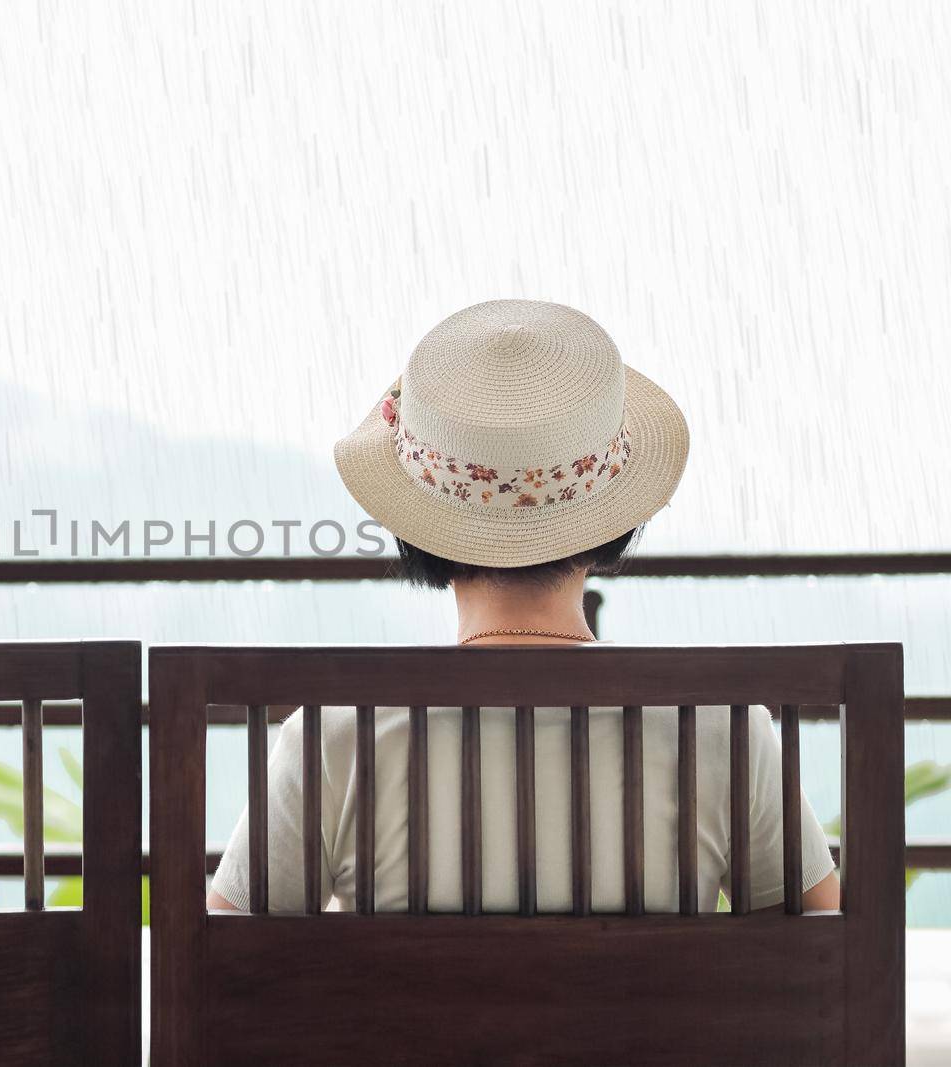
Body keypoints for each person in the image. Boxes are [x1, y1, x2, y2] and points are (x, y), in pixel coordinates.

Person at [208, 299, 839, 914]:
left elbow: (227, 957)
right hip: (650, 1029)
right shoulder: (718, 729)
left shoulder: (335, 734)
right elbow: (820, 953)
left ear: (415, 531)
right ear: (611, 525)